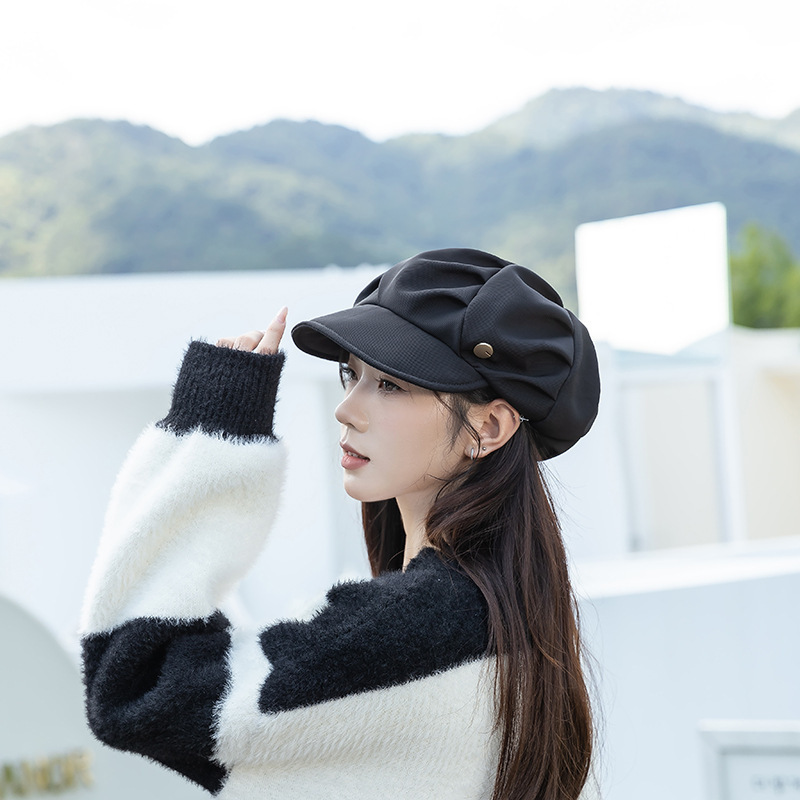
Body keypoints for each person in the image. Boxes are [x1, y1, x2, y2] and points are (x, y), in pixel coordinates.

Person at [80, 248, 601, 800]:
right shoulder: (509, 612)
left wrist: (212, 436)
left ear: (489, 427)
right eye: (352, 374)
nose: (347, 409)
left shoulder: (427, 625)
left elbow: (133, 689)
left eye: (392, 384)